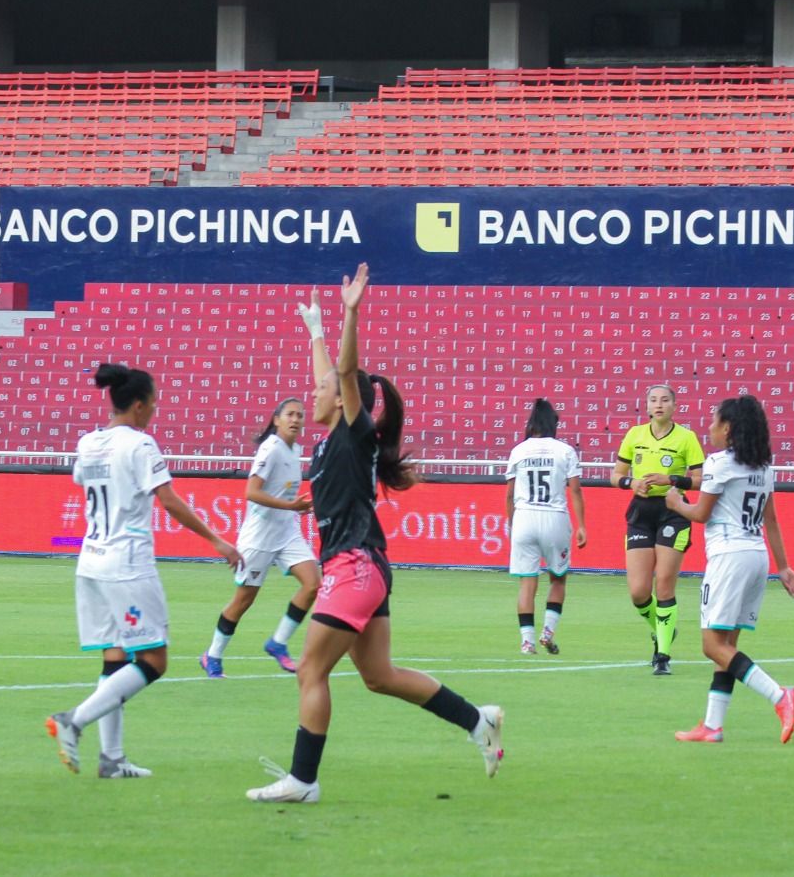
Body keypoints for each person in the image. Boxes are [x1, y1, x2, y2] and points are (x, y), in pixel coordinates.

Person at [247, 265, 503, 805]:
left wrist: (351, 313)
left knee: (311, 669)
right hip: (368, 569)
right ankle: (478, 720)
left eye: (321, 388)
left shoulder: (351, 430)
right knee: (379, 675)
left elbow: (342, 373)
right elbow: (332, 376)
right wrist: (315, 331)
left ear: (343, 399)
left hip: (354, 567)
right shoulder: (330, 436)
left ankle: (303, 780)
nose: (308, 395)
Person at [46, 363, 241, 778]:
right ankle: (73, 721)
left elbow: (84, 481)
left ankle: (112, 760)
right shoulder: (140, 445)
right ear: (137, 406)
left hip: (91, 562)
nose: (154, 410)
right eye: (153, 403)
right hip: (127, 562)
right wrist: (217, 540)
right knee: (154, 659)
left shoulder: (88, 443)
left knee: (115, 659)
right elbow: (168, 500)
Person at [665, 395, 794, 743]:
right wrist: (783, 567)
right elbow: (770, 519)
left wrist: (676, 503)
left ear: (728, 428)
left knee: (712, 645)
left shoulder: (719, 463)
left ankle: (779, 695)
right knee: (727, 645)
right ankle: (713, 725)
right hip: (757, 556)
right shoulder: (762, 466)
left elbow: (700, 515)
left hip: (729, 557)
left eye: (713, 421)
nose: (708, 427)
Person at [200, 397, 321, 677]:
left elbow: (283, 493)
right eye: (290, 414)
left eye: (300, 415)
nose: (295, 420)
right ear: (277, 419)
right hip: (259, 535)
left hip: (287, 531)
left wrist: (296, 508)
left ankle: (278, 643)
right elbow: (251, 492)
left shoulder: (294, 451)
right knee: (244, 600)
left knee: (313, 583)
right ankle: (212, 655)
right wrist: (291, 506)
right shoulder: (271, 450)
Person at [610, 384, 705, 675]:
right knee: (639, 592)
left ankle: (662, 655)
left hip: (672, 512)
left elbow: (701, 480)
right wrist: (630, 483)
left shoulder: (686, 438)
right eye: (653, 400)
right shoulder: (634, 435)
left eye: (665, 400)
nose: (659, 404)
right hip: (640, 511)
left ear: (674, 406)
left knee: (664, 583)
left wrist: (671, 479)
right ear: (647, 406)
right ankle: (665, 628)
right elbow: (616, 475)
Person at [504, 398, 587, 655]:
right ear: (554, 424)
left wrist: (512, 522)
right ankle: (547, 632)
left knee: (527, 583)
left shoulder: (519, 451)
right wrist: (582, 525)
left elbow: (509, 495)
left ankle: (526, 641)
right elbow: (575, 490)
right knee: (558, 579)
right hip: (554, 518)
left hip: (524, 518)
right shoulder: (565, 451)